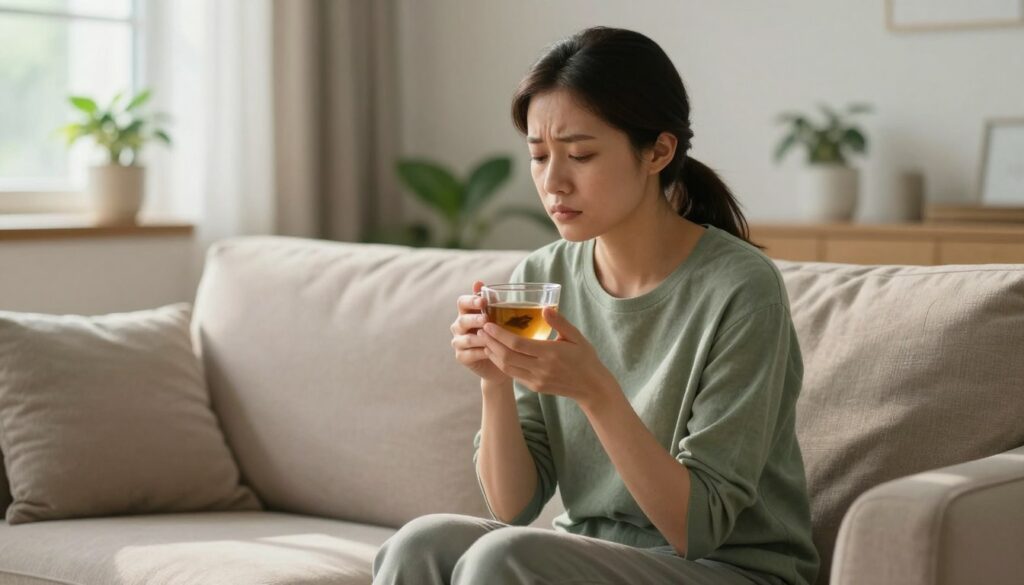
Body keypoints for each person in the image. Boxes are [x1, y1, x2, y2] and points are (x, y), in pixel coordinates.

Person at [372, 26, 819, 585]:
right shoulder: (542, 276)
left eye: (579, 155)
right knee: (420, 544)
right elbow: (513, 507)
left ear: (658, 151)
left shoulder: (741, 289)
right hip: (595, 556)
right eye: (538, 156)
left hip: (728, 568)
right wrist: (492, 380)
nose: (553, 182)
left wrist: (595, 389)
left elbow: (697, 527)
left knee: (501, 560)